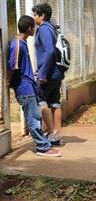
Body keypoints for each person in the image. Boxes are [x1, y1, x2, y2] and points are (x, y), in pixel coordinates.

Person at [7, 15, 61, 157]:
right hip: (24, 87)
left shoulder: (22, 43)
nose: (35, 30)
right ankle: (42, 147)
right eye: (34, 27)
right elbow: (13, 66)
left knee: (36, 116)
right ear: (29, 28)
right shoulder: (17, 44)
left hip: (29, 86)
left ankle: (44, 144)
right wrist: (8, 82)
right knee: (33, 118)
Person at [32, 3, 64, 145]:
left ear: (42, 16)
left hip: (48, 74)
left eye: (35, 15)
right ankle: (58, 135)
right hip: (56, 72)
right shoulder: (52, 28)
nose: (34, 18)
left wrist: (43, 74)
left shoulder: (44, 29)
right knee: (55, 103)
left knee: (41, 101)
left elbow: (49, 51)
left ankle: (51, 133)